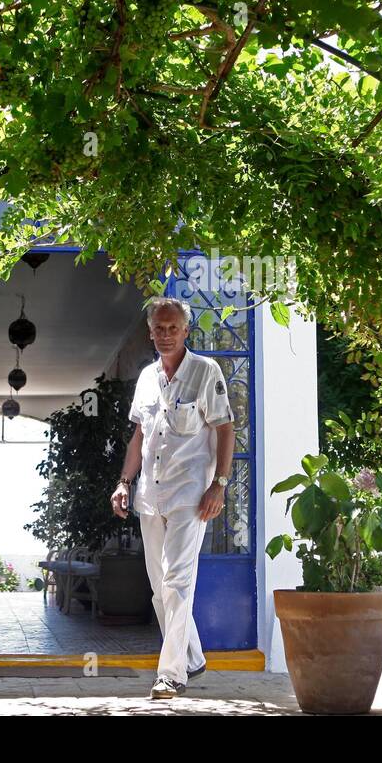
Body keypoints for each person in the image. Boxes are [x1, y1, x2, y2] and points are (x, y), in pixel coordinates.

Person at [111, 296, 235, 699]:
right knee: (158, 586)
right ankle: (193, 657)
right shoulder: (147, 378)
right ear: (151, 332)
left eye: (173, 328)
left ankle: (171, 675)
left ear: (186, 331)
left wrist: (220, 484)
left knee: (177, 581)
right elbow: (139, 437)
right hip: (150, 494)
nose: (165, 335)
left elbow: (225, 429)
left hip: (190, 495)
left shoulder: (205, 371)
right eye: (158, 329)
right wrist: (124, 483)